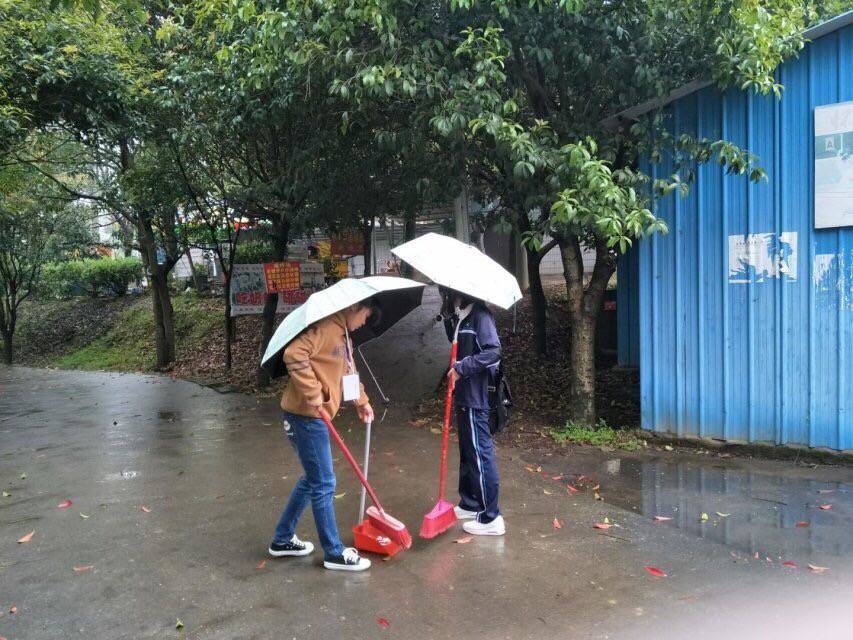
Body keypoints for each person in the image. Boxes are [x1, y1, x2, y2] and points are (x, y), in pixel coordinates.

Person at [268, 300, 377, 571]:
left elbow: (348, 372)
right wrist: (315, 394)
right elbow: (293, 354)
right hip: (306, 417)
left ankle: (282, 539)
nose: (364, 322)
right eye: (365, 315)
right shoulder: (327, 328)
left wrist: (362, 402)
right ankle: (334, 552)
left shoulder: (343, 335)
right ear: (353, 307)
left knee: (313, 479)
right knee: (324, 482)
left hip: (311, 417)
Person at [442, 288, 505, 536]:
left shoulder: (481, 316)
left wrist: (462, 368)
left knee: (480, 454)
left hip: (477, 397)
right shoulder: (463, 317)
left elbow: (493, 351)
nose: (446, 295)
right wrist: (448, 317)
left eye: (448, 292)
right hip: (464, 396)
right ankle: (471, 503)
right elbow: (455, 343)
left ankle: (491, 517)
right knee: (468, 452)